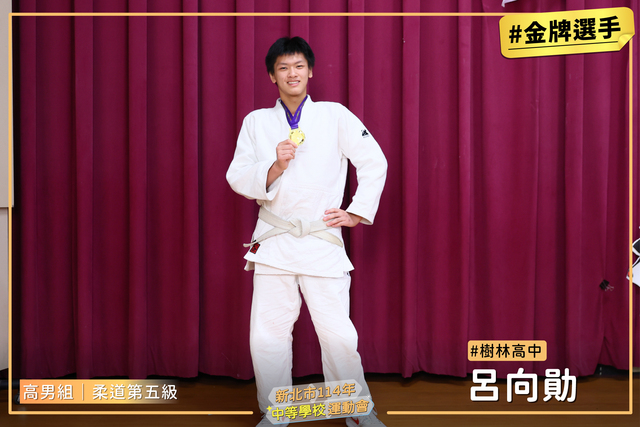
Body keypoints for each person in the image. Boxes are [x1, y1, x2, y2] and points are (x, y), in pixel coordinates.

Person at [226, 36, 387, 427]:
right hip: (274, 240)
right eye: (283, 68)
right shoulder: (256, 122)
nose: (292, 73)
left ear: (310, 71)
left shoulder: (335, 115)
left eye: (298, 66)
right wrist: (274, 166)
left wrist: (356, 212)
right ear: (272, 76)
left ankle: (356, 412)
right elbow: (237, 176)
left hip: (320, 239)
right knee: (267, 336)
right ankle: (276, 413)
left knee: (338, 336)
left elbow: (373, 161)